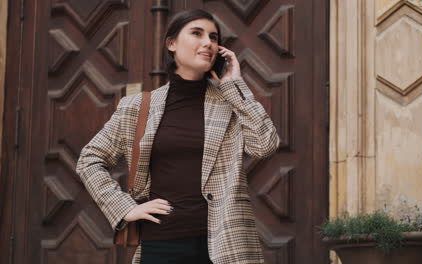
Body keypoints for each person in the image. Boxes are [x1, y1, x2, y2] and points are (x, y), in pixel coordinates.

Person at [76, 9, 280, 264]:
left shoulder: (230, 103)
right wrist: (125, 208)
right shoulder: (138, 107)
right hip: (162, 244)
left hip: (225, 247)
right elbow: (89, 159)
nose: (208, 42)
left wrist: (233, 84)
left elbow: (265, 146)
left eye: (214, 37)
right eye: (197, 33)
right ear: (171, 43)